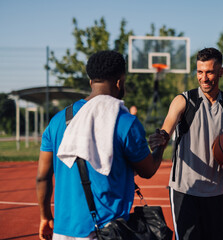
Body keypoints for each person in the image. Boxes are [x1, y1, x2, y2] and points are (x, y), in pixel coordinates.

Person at [36, 50, 167, 240]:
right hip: (107, 230)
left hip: (62, 230)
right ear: (120, 82)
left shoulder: (56, 122)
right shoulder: (125, 122)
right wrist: (160, 147)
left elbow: (42, 177)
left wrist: (45, 216)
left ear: (91, 82)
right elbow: (147, 170)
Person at [149, 47, 223, 240]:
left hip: (216, 192)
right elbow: (167, 127)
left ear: (220, 72)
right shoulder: (183, 101)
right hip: (185, 191)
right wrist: (162, 137)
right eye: (200, 72)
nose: (204, 78)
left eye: (210, 72)